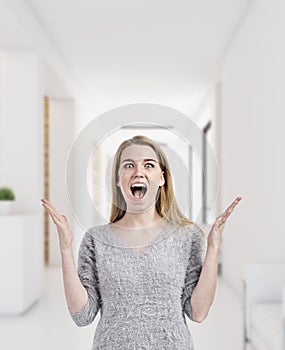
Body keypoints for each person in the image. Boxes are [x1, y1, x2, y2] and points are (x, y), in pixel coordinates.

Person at [41, 135, 242, 349]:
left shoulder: (187, 236)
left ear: (162, 178)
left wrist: (213, 248)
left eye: (149, 164)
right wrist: (64, 247)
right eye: (129, 165)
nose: (139, 172)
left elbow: (198, 312)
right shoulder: (95, 240)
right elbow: (83, 315)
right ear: (118, 180)